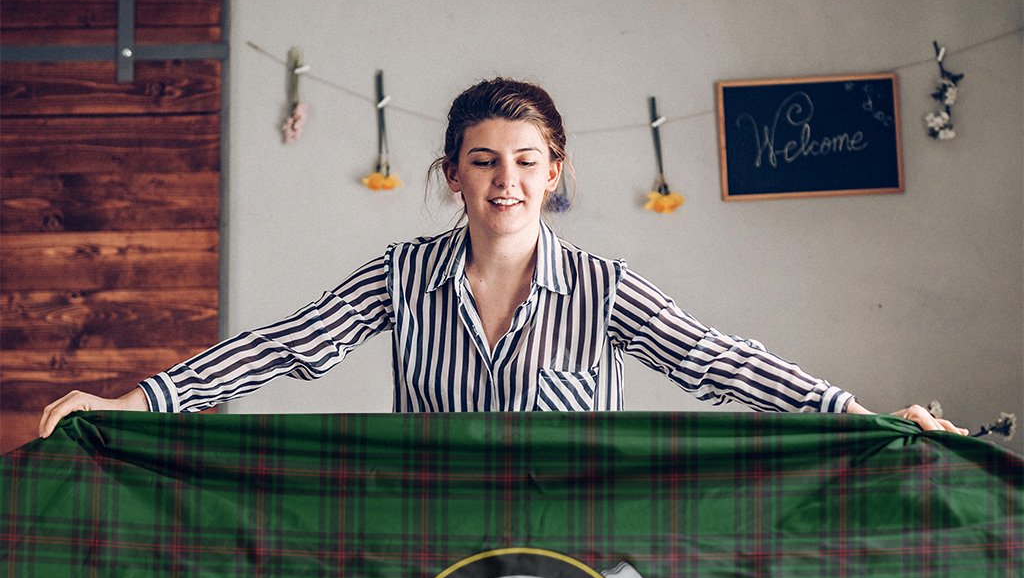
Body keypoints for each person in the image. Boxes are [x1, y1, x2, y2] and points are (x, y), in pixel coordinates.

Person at [38, 77, 968, 436]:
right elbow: (282, 347)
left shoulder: (604, 290)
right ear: (453, 175)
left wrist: (861, 416)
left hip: (579, 559)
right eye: (484, 161)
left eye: (526, 163)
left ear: (555, 174)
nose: (506, 181)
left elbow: (718, 361)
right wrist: (131, 404)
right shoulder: (400, 276)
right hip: (435, 553)